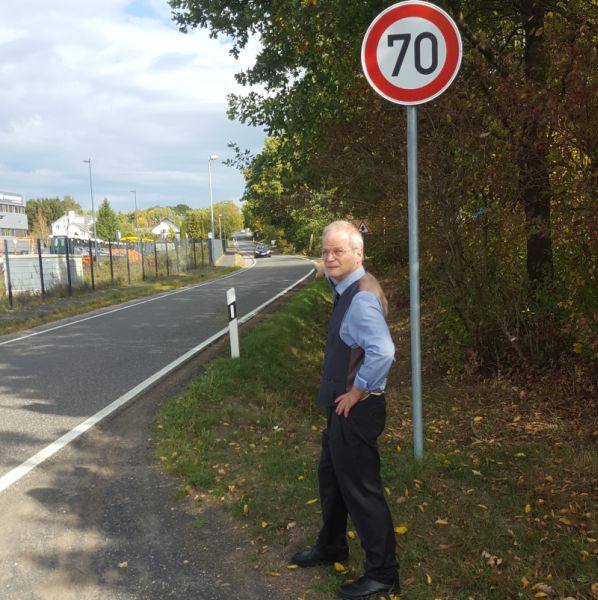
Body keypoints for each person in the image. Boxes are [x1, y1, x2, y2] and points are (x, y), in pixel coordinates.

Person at [291, 220, 400, 599]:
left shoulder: (362, 298)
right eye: (325, 251)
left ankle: (382, 572)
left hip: (356, 410)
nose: (330, 257)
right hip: (340, 410)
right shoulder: (348, 283)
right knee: (332, 479)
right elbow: (330, 269)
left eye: (338, 251)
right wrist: (322, 268)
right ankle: (332, 545)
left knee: (361, 491)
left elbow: (383, 352)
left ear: (359, 254)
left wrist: (357, 391)